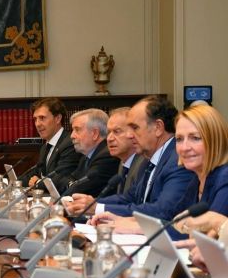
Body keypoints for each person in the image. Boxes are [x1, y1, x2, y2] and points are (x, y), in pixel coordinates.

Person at [85, 96, 195, 238]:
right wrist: (93, 205)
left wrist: (98, 208)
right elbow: (130, 198)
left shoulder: (178, 160)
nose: (129, 135)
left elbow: (163, 210)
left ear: (158, 128)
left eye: (135, 128)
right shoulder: (147, 160)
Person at [66, 107, 145, 214]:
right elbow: (124, 199)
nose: (109, 138)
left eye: (117, 131)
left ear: (134, 133)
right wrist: (93, 204)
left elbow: (138, 206)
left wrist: (96, 206)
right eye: (109, 132)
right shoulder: (123, 161)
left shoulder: (143, 163)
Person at [172, 105, 228, 232]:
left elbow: (210, 235)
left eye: (195, 138)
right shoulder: (196, 180)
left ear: (215, 140)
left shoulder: (225, 178)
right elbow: (175, 223)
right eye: (179, 139)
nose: (184, 147)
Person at [58, 109, 120, 196]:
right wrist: (72, 184)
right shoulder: (86, 156)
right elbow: (66, 180)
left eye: (77, 130)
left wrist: (72, 184)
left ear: (95, 134)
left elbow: (79, 190)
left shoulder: (107, 156)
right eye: (72, 130)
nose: (72, 136)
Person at [27, 97, 81, 189]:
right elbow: (35, 173)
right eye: (35, 119)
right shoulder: (45, 147)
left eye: (42, 118)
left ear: (58, 118)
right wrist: (11, 182)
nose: (37, 124)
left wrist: (37, 182)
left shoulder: (69, 143)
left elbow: (60, 177)